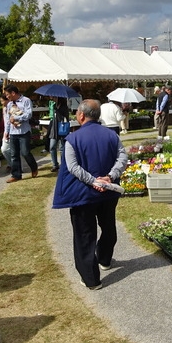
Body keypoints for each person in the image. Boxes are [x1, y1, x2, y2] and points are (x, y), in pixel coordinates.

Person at [52, 99, 128, 290]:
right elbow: (123, 157)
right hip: (108, 192)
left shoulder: (73, 139)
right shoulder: (112, 135)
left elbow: (72, 167)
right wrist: (109, 177)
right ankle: (104, 258)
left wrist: (94, 181)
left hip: (83, 195)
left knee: (85, 236)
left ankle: (91, 279)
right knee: (108, 227)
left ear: (81, 115)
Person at [4, 84, 39, 183]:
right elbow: (8, 119)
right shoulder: (10, 104)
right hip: (13, 132)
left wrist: (16, 118)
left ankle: (34, 167)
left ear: (13, 93)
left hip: (24, 131)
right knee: (14, 154)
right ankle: (16, 175)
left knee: (25, 152)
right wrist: (6, 131)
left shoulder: (26, 101)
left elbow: (28, 114)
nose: (7, 97)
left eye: (7, 94)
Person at [47, 97, 69, 172]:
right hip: (54, 128)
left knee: (61, 148)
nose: (53, 98)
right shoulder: (53, 105)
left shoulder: (64, 107)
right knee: (52, 146)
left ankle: (63, 164)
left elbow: (66, 117)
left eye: (55, 97)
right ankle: (55, 164)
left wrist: (58, 112)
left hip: (61, 128)